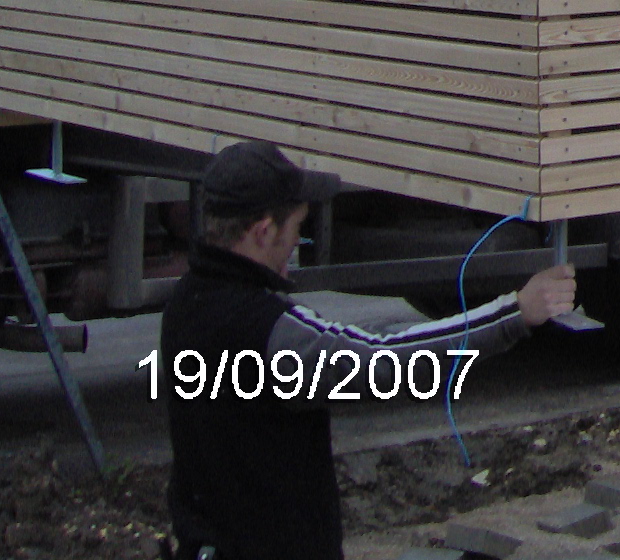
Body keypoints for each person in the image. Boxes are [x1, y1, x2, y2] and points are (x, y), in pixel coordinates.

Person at [161, 140, 576, 560]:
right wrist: (516, 312)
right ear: (263, 232)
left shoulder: (186, 304)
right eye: (297, 227)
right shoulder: (267, 331)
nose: (299, 240)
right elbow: (386, 362)